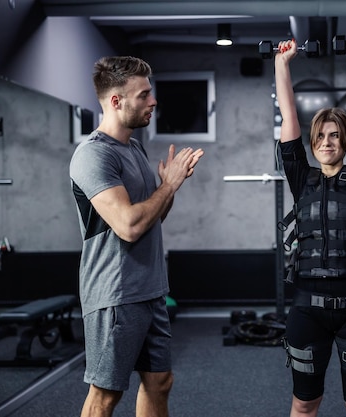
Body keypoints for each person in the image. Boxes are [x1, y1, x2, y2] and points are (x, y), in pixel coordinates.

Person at [69, 56, 203, 417]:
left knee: (160, 382)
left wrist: (168, 189)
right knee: (105, 396)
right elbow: (128, 226)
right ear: (117, 101)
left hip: (150, 288)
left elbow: (151, 219)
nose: (153, 101)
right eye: (144, 95)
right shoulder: (93, 155)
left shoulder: (135, 149)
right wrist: (169, 184)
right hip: (116, 292)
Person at [274, 36, 346, 417]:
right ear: (312, 143)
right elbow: (288, 116)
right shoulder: (300, 177)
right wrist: (282, 63)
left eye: (335, 135)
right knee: (304, 404)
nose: (327, 141)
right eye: (321, 136)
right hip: (307, 311)